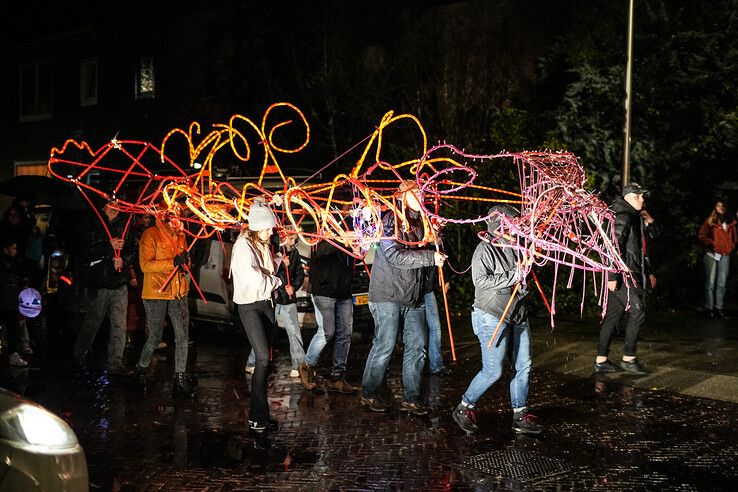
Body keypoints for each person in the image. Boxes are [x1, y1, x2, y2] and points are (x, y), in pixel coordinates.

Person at [451, 205, 541, 435]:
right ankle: (464, 406)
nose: (517, 228)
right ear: (499, 226)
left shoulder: (517, 247)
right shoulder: (484, 249)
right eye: (512, 224)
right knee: (493, 371)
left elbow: (523, 275)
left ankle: (520, 413)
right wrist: (514, 275)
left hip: (517, 313)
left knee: (524, 366)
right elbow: (480, 281)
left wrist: (528, 266)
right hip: (491, 315)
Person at [360, 180, 445, 415]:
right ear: (403, 196)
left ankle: (412, 397)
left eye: (422, 192)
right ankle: (368, 393)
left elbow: (431, 254)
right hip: (388, 294)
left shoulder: (424, 221)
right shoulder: (390, 221)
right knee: (385, 345)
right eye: (416, 192)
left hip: (413, 296)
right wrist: (429, 256)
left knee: (417, 346)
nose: (422, 196)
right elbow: (395, 255)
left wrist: (437, 236)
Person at [230, 198, 282, 432]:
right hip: (250, 306)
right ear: (258, 226)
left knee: (267, 360)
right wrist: (277, 281)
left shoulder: (262, 244)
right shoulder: (243, 246)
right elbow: (256, 279)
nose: (271, 231)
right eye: (269, 227)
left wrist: (280, 258)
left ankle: (259, 415)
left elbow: (267, 269)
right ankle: (257, 417)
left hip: (266, 303)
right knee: (261, 359)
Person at [594, 182, 656, 375]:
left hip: (628, 272)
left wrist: (649, 271)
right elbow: (613, 245)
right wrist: (613, 274)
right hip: (625, 274)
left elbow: (639, 248)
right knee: (638, 311)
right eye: (638, 196)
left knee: (613, 315)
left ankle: (601, 360)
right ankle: (629, 358)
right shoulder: (623, 215)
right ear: (628, 197)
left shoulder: (631, 215)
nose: (642, 199)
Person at [134, 204, 193, 398]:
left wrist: (185, 263)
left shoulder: (182, 235)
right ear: (164, 217)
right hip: (156, 293)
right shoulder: (151, 234)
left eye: (179, 216)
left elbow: (185, 264)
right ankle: (141, 368)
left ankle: (180, 378)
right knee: (155, 335)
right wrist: (172, 263)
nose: (178, 219)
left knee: (182, 335)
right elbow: (145, 265)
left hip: (178, 292)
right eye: (173, 216)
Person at [73, 199, 135, 375]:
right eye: (111, 203)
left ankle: (115, 361)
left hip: (119, 281)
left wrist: (124, 260)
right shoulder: (93, 223)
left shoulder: (125, 224)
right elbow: (84, 251)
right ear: (104, 206)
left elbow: (132, 249)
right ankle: (80, 355)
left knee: (119, 324)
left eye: (117, 203)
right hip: (99, 281)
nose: (115, 207)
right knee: (93, 321)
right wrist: (108, 246)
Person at [298, 239, 357, 393]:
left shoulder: (351, 226)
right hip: (324, 290)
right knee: (327, 332)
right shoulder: (322, 231)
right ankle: (307, 365)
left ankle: (337, 377)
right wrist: (345, 239)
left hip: (343, 290)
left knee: (345, 333)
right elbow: (322, 251)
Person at [245, 230, 306, 378]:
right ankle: (252, 363)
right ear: (284, 237)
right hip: (273, 297)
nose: (293, 242)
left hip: (287, 299)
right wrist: (279, 264)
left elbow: (299, 273)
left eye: (295, 239)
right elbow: (267, 271)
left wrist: (294, 287)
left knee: (294, 332)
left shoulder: (294, 253)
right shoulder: (271, 249)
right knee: (265, 331)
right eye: (291, 239)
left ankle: (298, 366)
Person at [698, 200, 737, 319]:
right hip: (712, 254)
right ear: (715, 207)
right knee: (710, 283)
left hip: (725, 254)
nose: (721, 208)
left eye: (723, 206)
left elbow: (735, 237)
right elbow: (702, 235)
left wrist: (732, 246)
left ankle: (719, 308)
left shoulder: (730, 221)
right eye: (719, 206)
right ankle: (709, 309)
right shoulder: (710, 221)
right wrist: (712, 244)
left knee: (722, 283)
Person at [0, 237, 32, 366]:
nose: (16, 251)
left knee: (13, 329)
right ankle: (13, 354)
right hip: (6, 301)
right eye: (13, 248)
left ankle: (14, 354)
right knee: (12, 329)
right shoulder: (7, 264)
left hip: (10, 301)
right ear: (6, 249)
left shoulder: (13, 263)